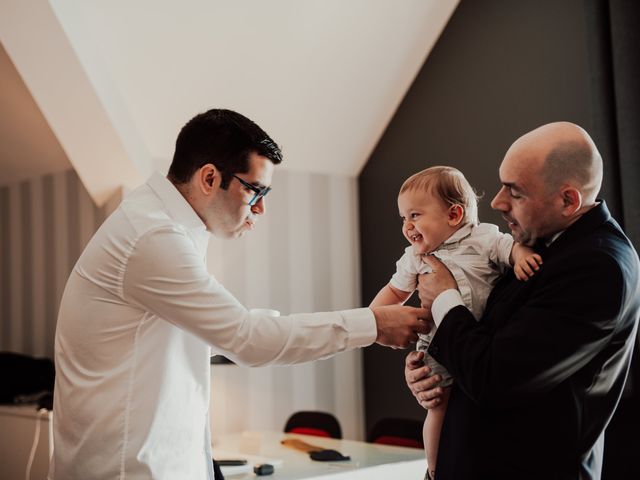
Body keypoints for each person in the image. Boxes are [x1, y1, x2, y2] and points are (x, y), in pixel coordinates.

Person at [49, 109, 430, 480]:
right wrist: (372, 325)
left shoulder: (163, 225)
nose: (261, 208)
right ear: (210, 177)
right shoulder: (154, 237)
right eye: (255, 190)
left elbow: (203, 334)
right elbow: (246, 341)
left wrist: (265, 326)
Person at [404, 122, 640, 480]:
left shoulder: (598, 265)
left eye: (515, 192)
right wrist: (432, 373)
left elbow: (495, 377)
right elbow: (483, 337)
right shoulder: (537, 244)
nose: (497, 202)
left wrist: (444, 297)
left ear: (568, 200)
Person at [369, 166, 540, 479]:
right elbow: (395, 290)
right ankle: (435, 468)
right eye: (403, 218)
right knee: (438, 405)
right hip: (438, 343)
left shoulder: (482, 238)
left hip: (481, 340)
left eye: (415, 215)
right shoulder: (415, 257)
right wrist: (373, 319)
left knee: (468, 409)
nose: (407, 226)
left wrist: (522, 256)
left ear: (453, 214)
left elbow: (508, 247)